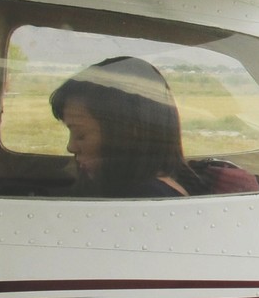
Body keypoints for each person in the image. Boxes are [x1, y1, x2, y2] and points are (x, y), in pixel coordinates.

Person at [49, 55, 203, 197]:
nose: (71, 147)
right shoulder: (137, 188)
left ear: (129, 133)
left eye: (81, 135)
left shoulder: (145, 197)